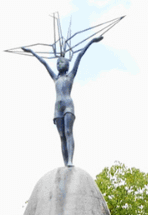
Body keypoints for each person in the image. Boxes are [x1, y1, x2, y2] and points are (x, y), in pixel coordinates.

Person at [23, 36, 103, 168]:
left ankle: (70, 160)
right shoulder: (55, 78)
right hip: (57, 107)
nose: (58, 64)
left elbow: (80, 55)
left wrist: (92, 41)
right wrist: (32, 52)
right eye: (57, 63)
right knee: (61, 136)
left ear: (67, 64)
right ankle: (65, 162)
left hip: (68, 105)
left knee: (68, 132)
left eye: (61, 62)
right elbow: (44, 63)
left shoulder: (70, 75)